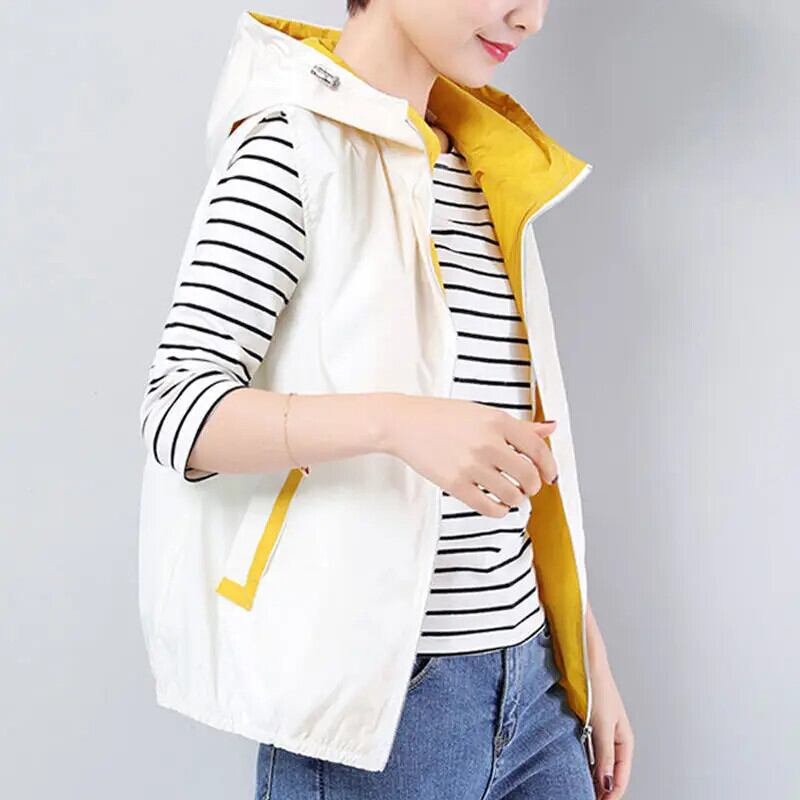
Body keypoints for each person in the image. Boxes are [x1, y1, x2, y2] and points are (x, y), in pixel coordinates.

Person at [137, 3, 634, 798]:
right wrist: (396, 422)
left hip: (536, 693)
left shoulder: (480, 167)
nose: (531, 17)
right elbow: (177, 408)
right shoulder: (293, 146)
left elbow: (519, 470)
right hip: (381, 712)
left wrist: (587, 659)